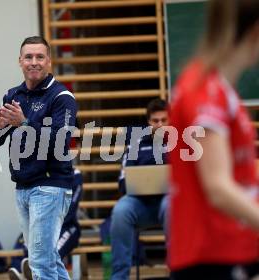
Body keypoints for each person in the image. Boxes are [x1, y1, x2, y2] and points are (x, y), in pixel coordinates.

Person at [169, 1, 259, 279]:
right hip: (213, 255)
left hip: (234, 248)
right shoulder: (205, 89)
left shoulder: (220, 89)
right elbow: (218, 186)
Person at [0, 36, 77, 280]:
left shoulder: (62, 97)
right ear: (20, 61)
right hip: (22, 186)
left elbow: (60, 141)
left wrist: (24, 123)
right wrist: (0, 125)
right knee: (48, 259)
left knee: (40, 262)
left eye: (39, 57)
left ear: (49, 61)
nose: (33, 62)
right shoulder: (13, 95)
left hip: (50, 185)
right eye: (28, 57)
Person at [110, 98, 169, 280]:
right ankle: (120, 276)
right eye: (155, 121)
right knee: (120, 210)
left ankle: (178, 272)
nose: (159, 125)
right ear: (148, 122)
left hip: (169, 203)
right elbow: (122, 182)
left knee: (172, 206)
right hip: (140, 203)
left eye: (164, 120)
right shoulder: (135, 144)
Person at [8, 168, 83, 280]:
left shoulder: (73, 175)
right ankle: (24, 271)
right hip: (45, 222)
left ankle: (31, 273)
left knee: (47, 253)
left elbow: (70, 208)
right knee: (29, 245)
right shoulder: (40, 171)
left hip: (68, 227)